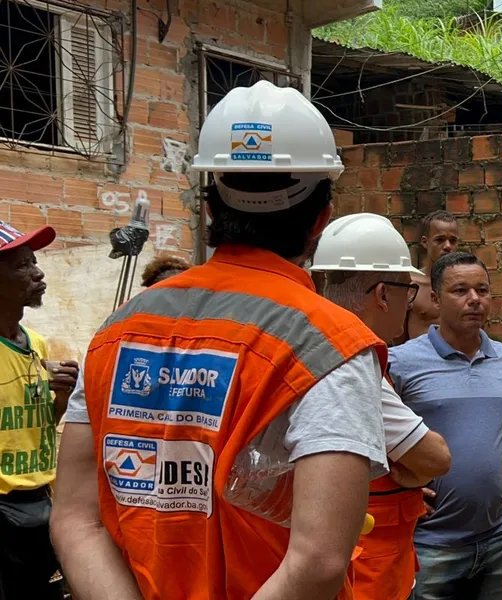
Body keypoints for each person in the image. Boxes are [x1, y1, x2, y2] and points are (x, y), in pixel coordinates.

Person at [50, 80, 391, 600]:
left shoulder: (115, 332)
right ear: (322, 218)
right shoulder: (329, 344)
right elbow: (319, 560)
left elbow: (77, 520)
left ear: (210, 208)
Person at [390, 251, 502, 600]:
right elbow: (366, 431)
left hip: (497, 538)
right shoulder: (401, 362)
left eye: (482, 290)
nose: (474, 299)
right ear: (435, 299)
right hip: (430, 544)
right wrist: (393, 486)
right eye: (460, 290)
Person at [310, 212, 452, 600]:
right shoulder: (352, 362)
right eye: (409, 291)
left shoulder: (310, 344)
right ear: (383, 295)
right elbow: (434, 457)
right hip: (368, 566)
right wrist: (407, 471)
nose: (410, 303)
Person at [0, 220, 77, 598]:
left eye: (34, 261)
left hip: (41, 500)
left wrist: (60, 399)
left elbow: (42, 425)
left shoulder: (37, 345)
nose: (37, 272)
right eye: (21, 265)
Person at [407, 211, 460, 342]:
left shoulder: (465, 286)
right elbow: (397, 334)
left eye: (453, 241)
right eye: (440, 240)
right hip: (418, 353)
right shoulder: (411, 284)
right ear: (425, 242)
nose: (447, 246)